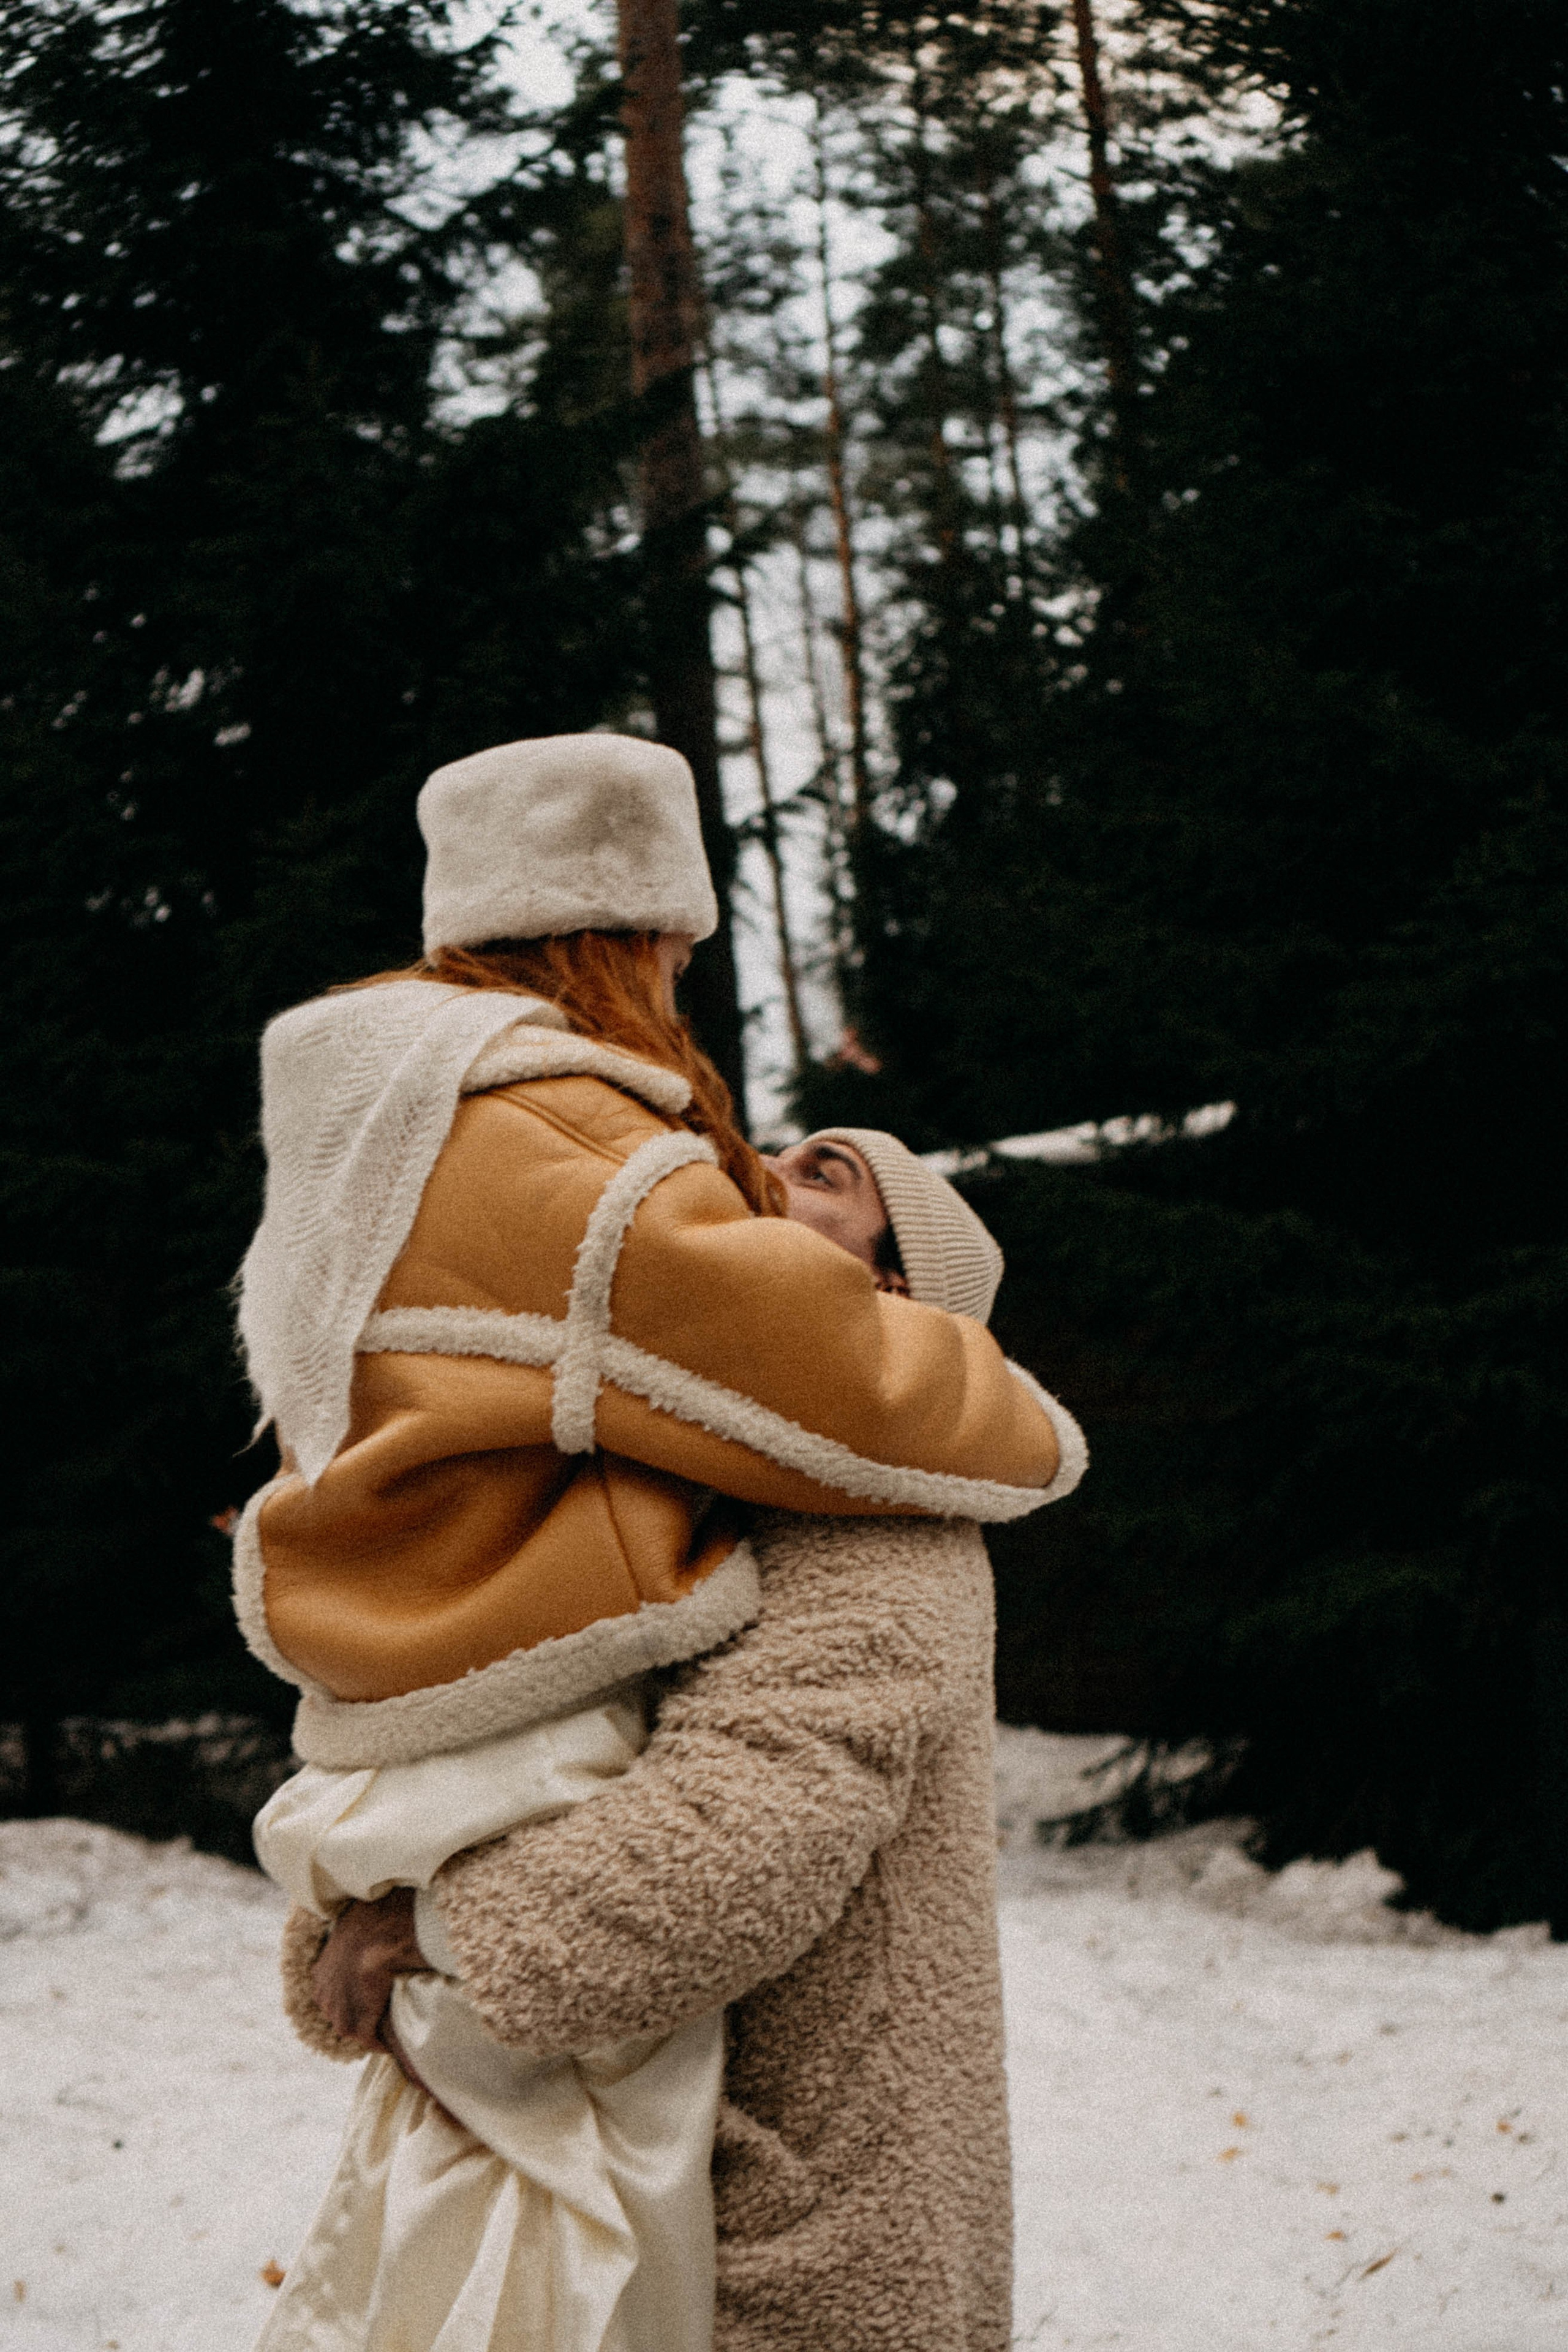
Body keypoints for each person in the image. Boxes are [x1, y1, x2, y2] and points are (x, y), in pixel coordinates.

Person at [234, 733, 1084, 2352]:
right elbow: (549, 1731)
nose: (760, 1168)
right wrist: (357, 1906)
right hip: (651, 2190)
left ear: (893, 1302)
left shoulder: (891, 1532)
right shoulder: (697, 1490)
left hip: (805, 2238)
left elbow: (741, 1831)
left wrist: (425, 1929)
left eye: (827, 1182)